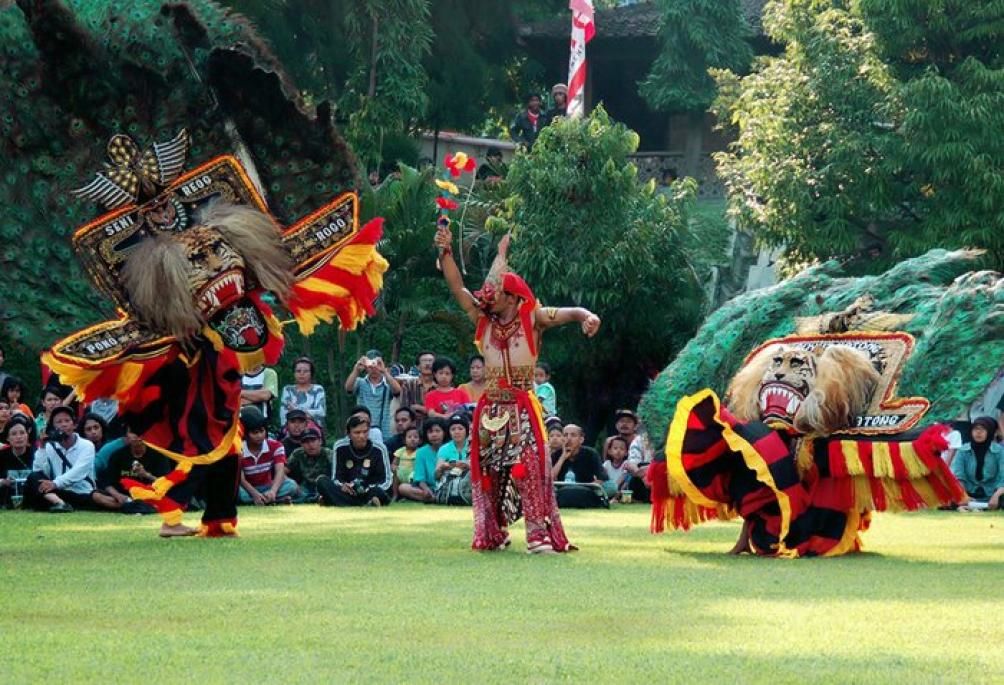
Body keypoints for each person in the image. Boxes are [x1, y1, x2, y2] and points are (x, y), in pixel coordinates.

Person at [435, 222, 601, 552]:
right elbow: (456, 287)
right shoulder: (482, 319)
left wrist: (587, 316)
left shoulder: (533, 318)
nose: (487, 301)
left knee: (531, 468)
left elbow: (569, 313)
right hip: (488, 410)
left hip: (523, 407)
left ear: (511, 297)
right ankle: (493, 532)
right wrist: (446, 251)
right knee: (488, 473)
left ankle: (538, 535)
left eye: (494, 296)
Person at [24, 406, 111, 513]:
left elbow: (79, 471)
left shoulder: (86, 445)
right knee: (33, 477)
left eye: (67, 421)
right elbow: (39, 471)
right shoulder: (50, 446)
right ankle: (60, 503)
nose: (63, 424)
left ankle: (57, 503)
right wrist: (42, 448)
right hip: (59, 492)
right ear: (53, 427)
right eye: (59, 422)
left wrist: (55, 483)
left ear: (74, 425)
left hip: (81, 493)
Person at [97, 428, 174, 512]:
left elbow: (166, 485)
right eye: (132, 432)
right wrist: (118, 495)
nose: (136, 436)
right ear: (127, 436)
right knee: (98, 497)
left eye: (140, 432)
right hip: (123, 498)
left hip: (150, 496)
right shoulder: (118, 455)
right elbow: (107, 483)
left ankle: (139, 507)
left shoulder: (159, 456)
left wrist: (146, 475)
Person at [327, 416, 392, 506]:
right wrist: (343, 486)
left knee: (379, 492)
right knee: (322, 481)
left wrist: (367, 488)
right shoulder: (340, 447)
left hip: (370, 490)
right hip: (348, 491)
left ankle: (336, 501)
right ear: (348, 434)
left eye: (365, 432)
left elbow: (387, 481)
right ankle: (363, 503)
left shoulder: (379, 449)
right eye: (357, 433)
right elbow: (335, 477)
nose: (361, 436)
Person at [237, 407, 297, 506]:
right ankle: (274, 500)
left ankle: (267, 499)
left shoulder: (276, 446)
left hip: (268, 487)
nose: (260, 435)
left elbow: (280, 472)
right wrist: (254, 494)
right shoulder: (238, 450)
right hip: (248, 490)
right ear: (245, 434)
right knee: (237, 493)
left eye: (262, 431)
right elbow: (241, 479)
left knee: (291, 485)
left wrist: (273, 491)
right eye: (255, 432)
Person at [344, 349, 401, 439]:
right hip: (362, 428)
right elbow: (348, 388)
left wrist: (384, 371)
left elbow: (397, 391)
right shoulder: (360, 382)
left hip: (384, 430)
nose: (374, 368)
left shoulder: (388, 384)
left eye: (377, 364)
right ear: (366, 366)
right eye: (370, 365)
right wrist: (356, 370)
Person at [951, 416, 1004, 510]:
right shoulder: (963, 450)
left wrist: (996, 496)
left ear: (990, 431)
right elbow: (959, 476)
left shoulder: (999, 451)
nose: (978, 432)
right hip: (968, 493)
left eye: (983, 429)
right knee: (951, 497)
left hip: (993, 494)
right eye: (975, 429)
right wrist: (964, 496)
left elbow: (1003, 477)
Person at [551, 424, 609, 508]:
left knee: (611, 486)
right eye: (565, 435)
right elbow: (550, 479)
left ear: (581, 440)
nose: (568, 438)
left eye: (573, 435)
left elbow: (601, 478)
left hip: (586, 490)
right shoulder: (556, 455)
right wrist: (562, 458)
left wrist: (587, 487)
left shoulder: (591, 454)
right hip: (562, 491)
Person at [398, 417, 447, 503]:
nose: (434, 435)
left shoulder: (449, 448)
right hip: (429, 488)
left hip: (448, 487)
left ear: (444, 433)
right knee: (403, 488)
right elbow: (419, 478)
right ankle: (436, 498)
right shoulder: (421, 452)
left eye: (437, 431)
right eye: (430, 432)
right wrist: (426, 489)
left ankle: (437, 498)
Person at [431, 413, 473, 505]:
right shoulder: (444, 449)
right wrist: (443, 467)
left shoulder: (473, 446)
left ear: (466, 430)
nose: (457, 432)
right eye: (453, 429)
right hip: (449, 484)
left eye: (460, 429)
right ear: (449, 432)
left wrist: (468, 465)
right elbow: (436, 476)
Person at [285, 428, 333, 503]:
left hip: (323, 484)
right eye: (306, 442)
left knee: (326, 490)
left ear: (320, 441)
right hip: (306, 486)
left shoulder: (328, 454)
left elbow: (338, 471)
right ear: (301, 444)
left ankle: (298, 501)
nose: (310, 445)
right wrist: (292, 482)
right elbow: (283, 471)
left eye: (313, 441)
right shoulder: (298, 453)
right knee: (298, 491)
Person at [280, 356, 327, 427]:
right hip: (291, 430)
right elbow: (284, 415)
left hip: (313, 430)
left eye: (305, 371)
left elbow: (321, 413)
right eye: (298, 371)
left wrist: (296, 409)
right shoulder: (287, 390)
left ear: (311, 373)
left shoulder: (318, 389)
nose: (302, 374)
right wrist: (308, 414)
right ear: (294, 373)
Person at [0, 417, 34, 508]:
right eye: (14, 434)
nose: (19, 437)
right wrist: (3, 482)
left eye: (22, 433)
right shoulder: (2, 455)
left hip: (31, 496)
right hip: (6, 497)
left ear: (27, 435)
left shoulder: (36, 454)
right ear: (7, 438)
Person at [397, 351, 437, 421]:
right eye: (424, 361)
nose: (427, 364)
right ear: (418, 367)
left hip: (436, 428)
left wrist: (422, 409)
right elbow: (404, 409)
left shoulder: (441, 386)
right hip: (413, 427)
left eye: (430, 361)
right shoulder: (408, 385)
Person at [391, 426, 421, 500]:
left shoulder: (420, 452)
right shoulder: (401, 451)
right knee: (395, 476)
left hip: (412, 474)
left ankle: (408, 496)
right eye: (409, 437)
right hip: (401, 473)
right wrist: (394, 467)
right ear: (404, 440)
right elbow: (394, 463)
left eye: (415, 437)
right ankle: (395, 495)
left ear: (420, 441)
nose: (412, 439)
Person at [602, 435, 631, 501]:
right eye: (615, 448)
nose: (618, 451)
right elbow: (603, 477)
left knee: (628, 477)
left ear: (626, 453)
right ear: (609, 451)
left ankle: (615, 498)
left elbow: (623, 478)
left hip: (620, 489)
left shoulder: (626, 463)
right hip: (609, 488)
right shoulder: (607, 464)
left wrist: (615, 488)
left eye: (622, 449)